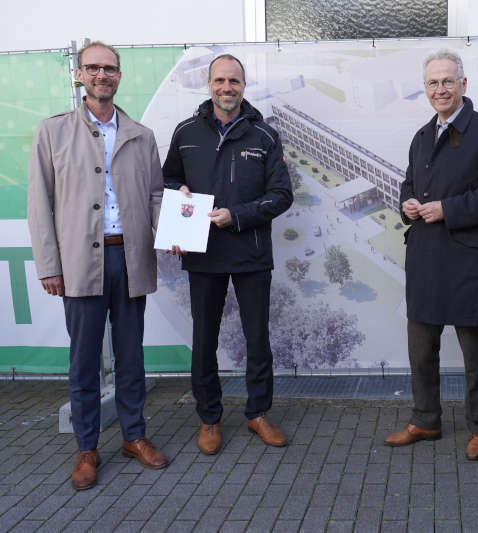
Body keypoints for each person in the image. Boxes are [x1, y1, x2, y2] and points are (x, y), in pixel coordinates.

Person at [27, 41, 168, 490]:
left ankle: (134, 436)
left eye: (109, 68)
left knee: (131, 357)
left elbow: (155, 196)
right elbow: (39, 204)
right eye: (93, 68)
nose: (101, 75)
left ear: (119, 76)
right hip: (78, 262)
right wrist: (50, 265)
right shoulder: (52, 132)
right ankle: (87, 447)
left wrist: (174, 232)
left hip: (130, 257)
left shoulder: (141, 135)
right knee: (84, 360)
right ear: (79, 75)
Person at [384, 49, 478, 460]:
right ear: (425, 89)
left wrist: (447, 209)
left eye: (447, 81)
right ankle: (425, 418)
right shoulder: (422, 135)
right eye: (432, 83)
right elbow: (409, 183)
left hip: (468, 259)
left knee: (474, 353)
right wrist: (406, 203)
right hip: (425, 255)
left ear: (463, 84)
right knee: (421, 350)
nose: (440, 89)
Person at [162, 54, 293, 455]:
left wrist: (237, 216)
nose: (226, 88)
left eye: (233, 81)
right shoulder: (185, 132)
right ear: (209, 84)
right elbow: (169, 178)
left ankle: (258, 414)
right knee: (205, 340)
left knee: (257, 339)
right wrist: (177, 196)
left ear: (243, 85)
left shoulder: (265, 136)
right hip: (203, 254)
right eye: (220, 80)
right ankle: (209, 418)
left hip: (251, 253)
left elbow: (282, 196)